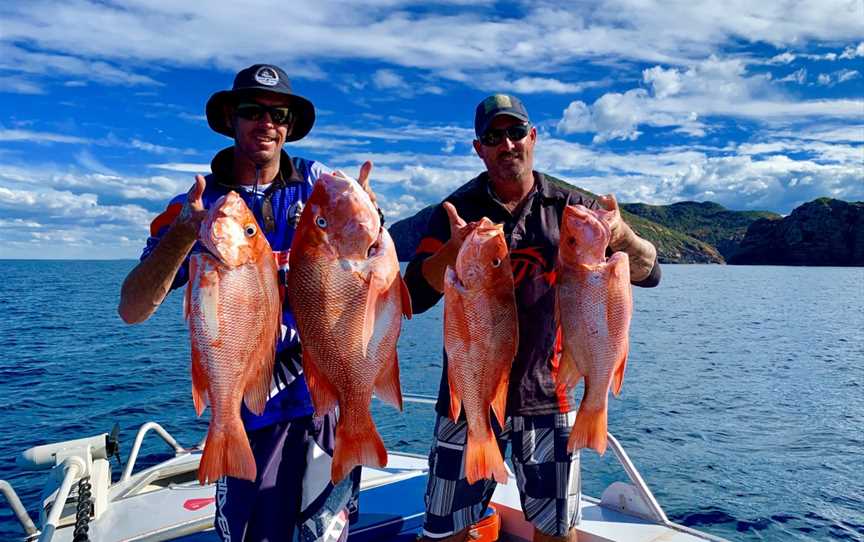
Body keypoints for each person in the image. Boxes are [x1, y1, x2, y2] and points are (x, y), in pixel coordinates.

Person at [118, 64, 368, 542]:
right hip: (245, 416)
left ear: (290, 126)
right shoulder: (196, 205)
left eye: (279, 114)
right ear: (232, 118)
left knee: (326, 535)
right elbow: (132, 309)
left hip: (322, 402)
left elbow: (367, 271)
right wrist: (183, 236)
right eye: (253, 111)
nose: (266, 123)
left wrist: (363, 221)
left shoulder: (320, 188)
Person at [404, 94, 661, 542]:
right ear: (478, 148)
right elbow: (414, 296)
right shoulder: (455, 211)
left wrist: (622, 235)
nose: (507, 145)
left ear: (533, 137)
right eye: (493, 137)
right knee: (445, 530)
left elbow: (649, 272)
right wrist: (451, 250)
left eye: (516, 132)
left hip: (549, 395)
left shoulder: (570, 209)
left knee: (557, 530)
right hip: (469, 397)